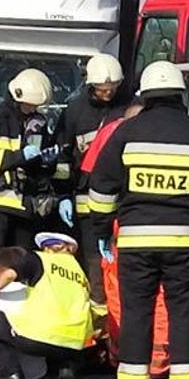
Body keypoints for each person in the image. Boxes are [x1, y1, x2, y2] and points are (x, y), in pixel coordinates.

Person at [88, 60, 189, 379]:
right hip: (184, 244)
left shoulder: (126, 132)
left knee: (137, 313)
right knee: (184, 314)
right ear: (180, 95)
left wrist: (102, 230)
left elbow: (101, 188)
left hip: (136, 244)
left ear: (146, 94)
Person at [0, 68, 62, 287]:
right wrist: (19, 156)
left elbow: (38, 168)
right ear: (17, 97)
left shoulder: (38, 125)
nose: (34, 109)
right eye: (31, 105)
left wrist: (46, 161)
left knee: (21, 267)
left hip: (24, 207)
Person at [0, 233, 93, 379]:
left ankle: (9, 374)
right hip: (75, 345)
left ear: (46, 248)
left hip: (40, 339)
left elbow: (10, 273)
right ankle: (67, 369)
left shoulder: (42, 259)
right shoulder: (80, 272)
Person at [64, 54, 127, 276]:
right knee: (92, 260)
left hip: (122, 199)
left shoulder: (129, 107)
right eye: (102, 89)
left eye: (112, 88)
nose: (108, 92)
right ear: (91, 85)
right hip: (85, 200)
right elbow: (64, 156)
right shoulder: (75, 111)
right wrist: (63, 194)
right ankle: (97, 307)